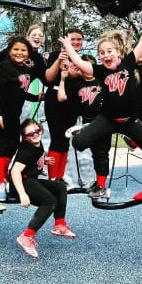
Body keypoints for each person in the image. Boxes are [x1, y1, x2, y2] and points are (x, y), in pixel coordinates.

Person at [60, 4, 142, 200]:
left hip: (130, 120)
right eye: (102, 53)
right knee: (79, 143)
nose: (106, 55)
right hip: (108, 118)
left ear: (119, 53)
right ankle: (83, 131)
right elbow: (80, 64)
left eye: (109, 51)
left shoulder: (129, 62)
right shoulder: (99, 70)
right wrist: (68, 47)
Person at [0, 37, 45, 201]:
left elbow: (19, 92)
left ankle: (5, 178)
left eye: (23, 50)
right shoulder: (3, 68)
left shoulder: (24, 70)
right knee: (0, 147)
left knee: (12, 147)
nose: (19, 53)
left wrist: (35, 97)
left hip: (12, 116)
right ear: (9, 51)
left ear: (28, 53)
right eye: (16, 49)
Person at [11, 119, 75, 259]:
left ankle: (59, 224)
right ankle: (26, 236)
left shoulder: (37, 144)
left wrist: (43, 161)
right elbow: (15, 171)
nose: (35, 135)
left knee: (60, 187)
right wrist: (22, 194)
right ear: (24, 137)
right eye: (30, 134)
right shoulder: (26, 150)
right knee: (50, 201)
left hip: (31, 179)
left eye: (37, 130)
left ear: (40, 129)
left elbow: (32, 160)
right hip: (21, 183)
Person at [58, 54, 111, 198]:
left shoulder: (102, 81)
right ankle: (97, 182)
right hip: (87, 122)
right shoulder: (77, 84)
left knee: (102, 153)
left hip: (103, 121)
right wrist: (63, 78)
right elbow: (62, 98)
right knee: (94, 153)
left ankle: (101, 185)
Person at [44, 28, 84, 184]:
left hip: (72, 102)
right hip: (55, 101)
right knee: (56, 139)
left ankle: (60, 176)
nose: (75, 42)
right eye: (72, 39)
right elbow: (48, 78)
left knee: (66, 138)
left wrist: (73, 70)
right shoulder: (56, 55)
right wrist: (59, 61)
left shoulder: (80, 59)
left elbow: (82, 76)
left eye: (78, 39)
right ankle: (52, 177)